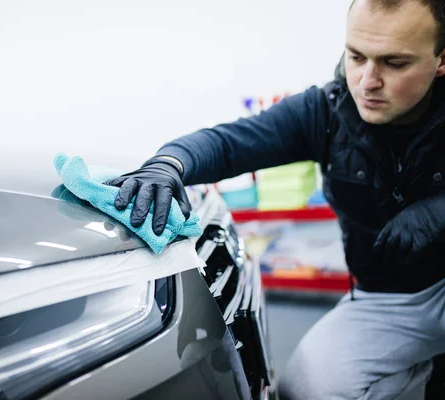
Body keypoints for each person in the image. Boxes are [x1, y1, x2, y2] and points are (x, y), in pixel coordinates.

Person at [105, 0, 445, 398]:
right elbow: (229, 144)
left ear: (441, 59)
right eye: (356, 56)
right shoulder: (327, 111)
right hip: (387, 301)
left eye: (394, 63)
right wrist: (167, 164)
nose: (367, 80)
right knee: (305, 389)